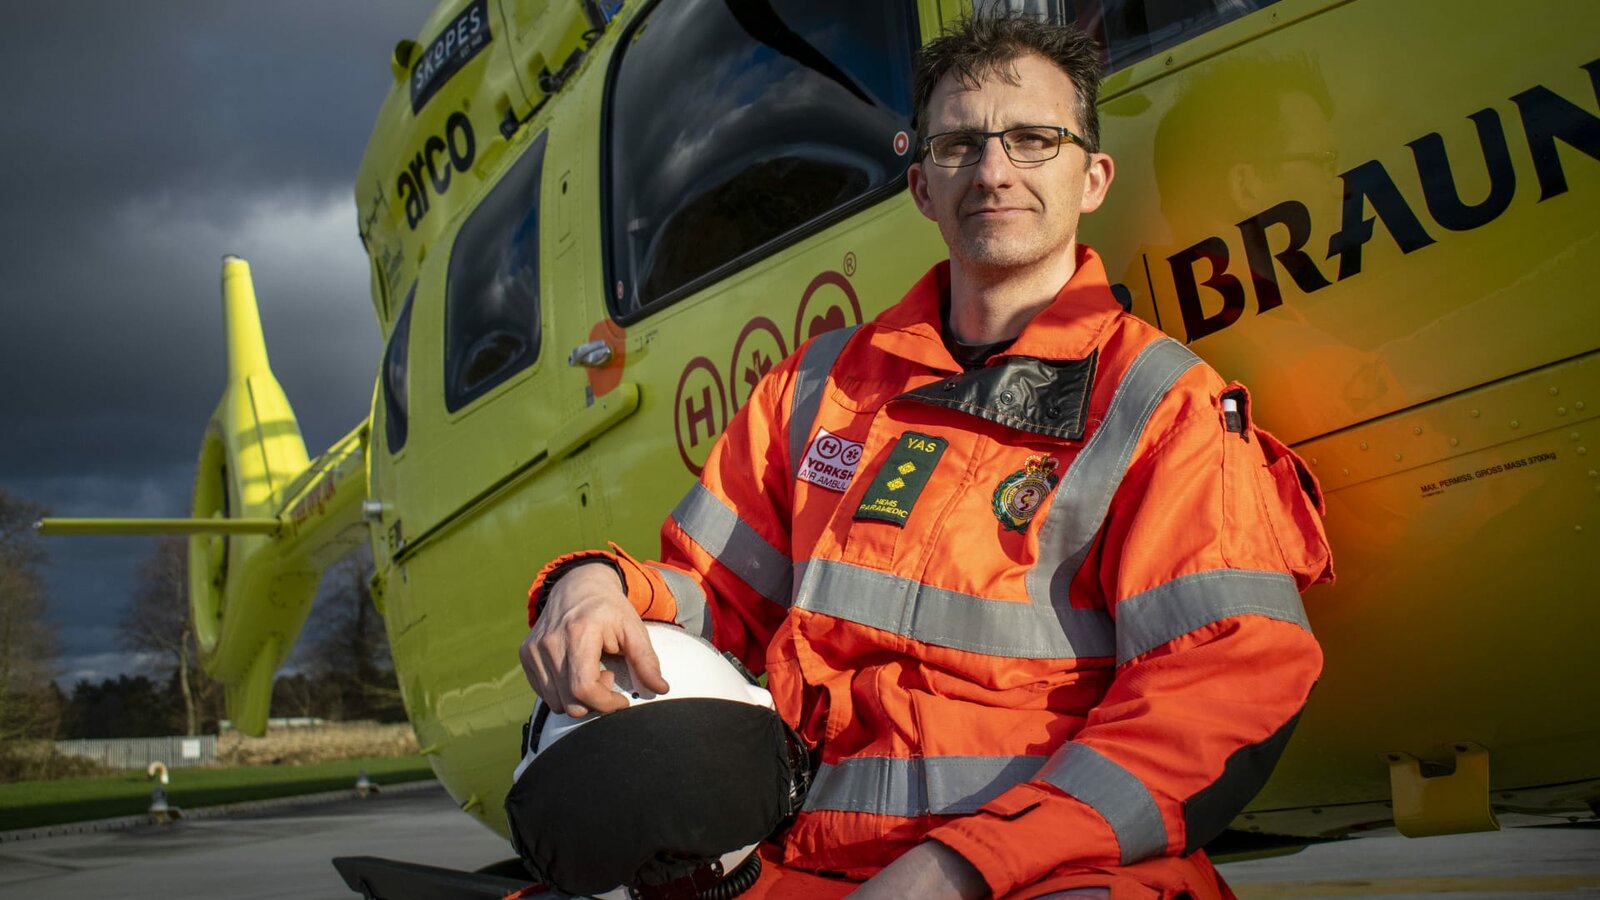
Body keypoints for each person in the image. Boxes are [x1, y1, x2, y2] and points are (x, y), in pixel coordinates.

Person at [521, 14, 1333, 900]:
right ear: (921, 186)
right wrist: (595, 583)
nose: (994, 172)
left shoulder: (1161, 408)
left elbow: (1222, 685)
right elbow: (706, 595)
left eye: (1034, 140)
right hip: (806, 871)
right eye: (959, 145)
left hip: (1044, 873)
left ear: (1093, 177)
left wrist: (963, 865)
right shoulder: (814, 389)